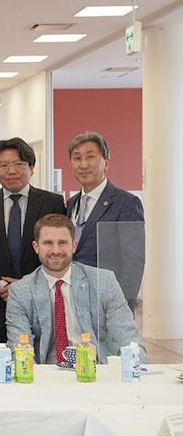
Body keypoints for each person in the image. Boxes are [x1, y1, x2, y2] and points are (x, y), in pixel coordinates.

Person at [0, 138, 66, 362]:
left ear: (31, 167)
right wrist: (0, 286)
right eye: (3, 165)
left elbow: (58, 251)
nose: (11, 171)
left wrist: (27, 286)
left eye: (19, 164)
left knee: (45, 369)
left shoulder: (52, 203)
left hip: (43, 301)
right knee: (2, 370)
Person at [6, 214, 146, 364]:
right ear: (36, 247)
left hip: (96, 372)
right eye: (48, 243)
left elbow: (128, 337)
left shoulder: (104, 281)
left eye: (62, 243)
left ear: (74, 245)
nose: (56, 250)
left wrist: (132, 368)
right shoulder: (20, 291)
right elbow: (18, 349)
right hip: (48, 376)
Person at [66, 131, 145, 312]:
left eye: (90, 157)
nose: (83, 164)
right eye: (77, 158)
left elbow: (134, 260)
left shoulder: (126, 203)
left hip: (108, 300)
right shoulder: (71, 204)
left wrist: (123, 304)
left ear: (106, 162)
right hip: (73, 299)